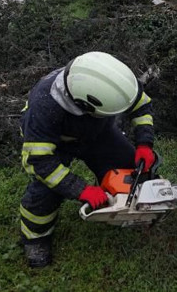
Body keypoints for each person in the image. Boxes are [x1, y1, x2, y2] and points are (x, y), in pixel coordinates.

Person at [18, 51, 157, 267]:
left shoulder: (115, 83)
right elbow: (40, 162)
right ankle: (35, 239)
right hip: (56, 144)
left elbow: (141, 105)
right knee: (45, 192)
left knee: (130, 167)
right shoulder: (44, 108)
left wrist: (144, 144)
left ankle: (124, 208)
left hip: (98, 132)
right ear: (87, 105)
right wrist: (80, 189)